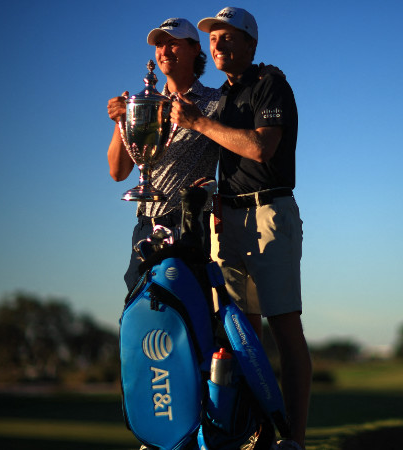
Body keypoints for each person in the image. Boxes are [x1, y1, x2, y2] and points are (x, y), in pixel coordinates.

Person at [171, 7, 311, 449]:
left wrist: (196, 122)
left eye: (229, 38)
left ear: (251, 44)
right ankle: (257, 434)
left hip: (269, 216)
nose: (218, 45)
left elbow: (259, 148)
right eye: (213, 40)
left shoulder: (270, 83)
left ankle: (296, 438)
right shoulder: (223, 96)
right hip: (226, 219)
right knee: (242, 337)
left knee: (285, 329)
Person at [107, 18, 220, 290]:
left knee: (191, 316)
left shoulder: (216, 102)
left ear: (196, 49)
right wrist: (121, 122)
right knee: (139, 314)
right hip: (147, 225)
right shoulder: (143, 104)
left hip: (190, 224)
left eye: (173, 44)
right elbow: (118, 173)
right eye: (159, 45)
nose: (164, 51)